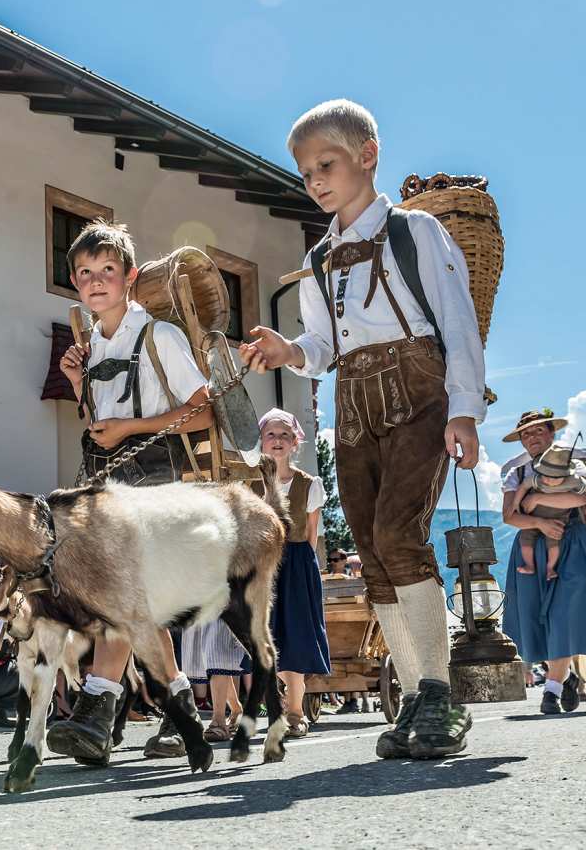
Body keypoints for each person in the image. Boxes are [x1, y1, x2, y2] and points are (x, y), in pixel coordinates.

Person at [239, 99, 484, 759]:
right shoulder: (319, 259)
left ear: (368, 155)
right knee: (374, 552)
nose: (314, 179)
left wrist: (464, 408)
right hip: (352, 400)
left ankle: (440, 694)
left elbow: (456, 320)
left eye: (327, 163)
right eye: (305, 170)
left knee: (401, 534)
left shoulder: (414, 234)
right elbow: (323, 346)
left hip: (418, 387)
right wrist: (290, 352)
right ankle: (412, 695)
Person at [47, 221, 216, 767]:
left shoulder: (158, 335)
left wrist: (129, 429)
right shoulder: (92, 345)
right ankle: (183, 711)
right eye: (85, 274)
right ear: (75, 282)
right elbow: (100, 419)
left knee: (120, 596)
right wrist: (79, 386)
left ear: (130, 278)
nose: (96, 282)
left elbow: (201, 409)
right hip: (104, 475)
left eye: (108, 272)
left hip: (154, 475)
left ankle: (96, 712)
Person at [499, 409, 586, 715]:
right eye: (526, 434)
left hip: (571, 543)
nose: (533, 438)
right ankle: (565, 677)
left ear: (551, 434)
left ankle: (550, 691)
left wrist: (538, 502)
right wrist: (538, 523)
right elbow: (509, 516)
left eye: (539, 432)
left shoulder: (572, 465)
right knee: (537, 616)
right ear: (521, 441)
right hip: (530, 545)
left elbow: (579, 500)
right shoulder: (516, 472)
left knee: (562, 614)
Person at [254, 408, 331, 738]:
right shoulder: (250, 485)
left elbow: (312, 535)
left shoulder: (309, 484)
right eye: (271, 434)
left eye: (285, 435)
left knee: (296, 638)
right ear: (261, 441)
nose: (278, 441)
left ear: (296, 443)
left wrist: (301, 569)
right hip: (261, 568)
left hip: (296, 564)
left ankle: (296, 711)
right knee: (262, 640)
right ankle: (266, 709)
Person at [510, 443, 586, 580]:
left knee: (553, 542)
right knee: (525, 539)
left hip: (558, 518)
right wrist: (515, 502)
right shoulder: (538, 480)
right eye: (545, 475)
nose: (548, 480)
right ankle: (529, 565)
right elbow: (523, 486)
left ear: (564, 475)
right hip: (533, 517)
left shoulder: (573, 481)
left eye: (554, 477)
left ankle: (550, 567)